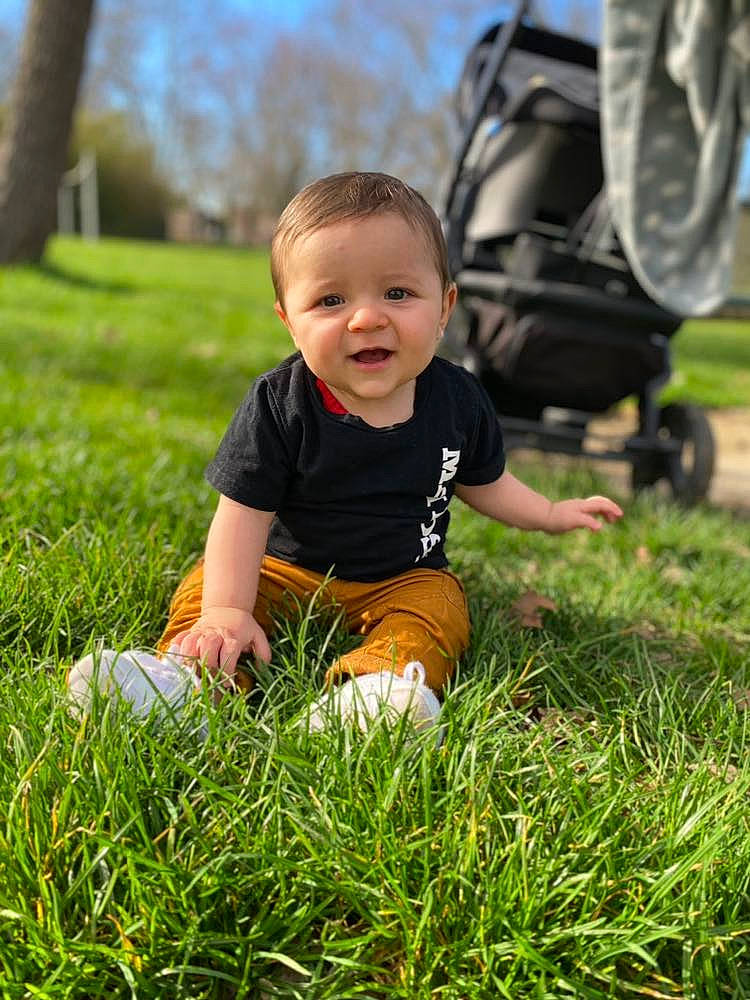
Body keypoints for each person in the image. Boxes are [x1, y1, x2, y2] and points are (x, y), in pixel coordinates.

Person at [69, 172, 622, 734]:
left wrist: (551, 514)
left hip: (404, 576)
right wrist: (227, 612)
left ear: (444, 308)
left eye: (398, 293)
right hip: (285, 568)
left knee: (439, 613)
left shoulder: (459, 401)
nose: (366, 318)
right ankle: (188, 684)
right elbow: (242, 516)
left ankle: (372, 697)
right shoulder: (280, 405)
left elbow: (485, 482)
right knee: (211, 586)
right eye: (331, 300)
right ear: (290, 322)